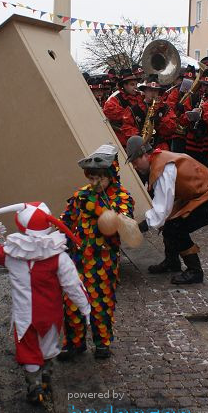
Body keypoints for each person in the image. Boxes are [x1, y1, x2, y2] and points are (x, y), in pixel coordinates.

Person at [0, 203, 91, 404]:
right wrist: (86, 308)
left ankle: (34, 385)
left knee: (28, 349)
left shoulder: (12, 254)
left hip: (24, 316)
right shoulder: (59, 256)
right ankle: (45, 375)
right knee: (48, 345)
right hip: (51, 313)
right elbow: (74, 285)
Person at [59, 144, 134, 360]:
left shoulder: (122, 198)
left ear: (111, 174)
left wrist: (103, 211)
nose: (94, 183)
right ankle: (74, 343)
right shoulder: (81, 195)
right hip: (78, 259)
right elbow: (66, 221)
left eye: (99, 178)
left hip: (104, 261)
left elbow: (123, 223)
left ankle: (102, 343)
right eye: (91, 178)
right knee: (72, 302)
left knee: (101, 304)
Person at [128, 135, 208, 284]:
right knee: (170, 223)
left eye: (135, 161)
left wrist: (141, 226)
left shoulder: (163, 167)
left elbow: (162, 209)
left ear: (145, 155)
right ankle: (172, 262)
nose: (135, 166)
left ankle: (195, 271)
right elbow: (165, 208)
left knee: (177, 227)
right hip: (206, 194)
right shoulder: (159, 160)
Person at [103, 68, 145, 148]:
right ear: (124, 85)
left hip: (141, 135)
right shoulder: (116, 98)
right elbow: (109, 111)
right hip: (125, 140)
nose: (135, 87)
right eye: (132, 85)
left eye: (136, 84)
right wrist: (131, 114)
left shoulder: (140, 96)